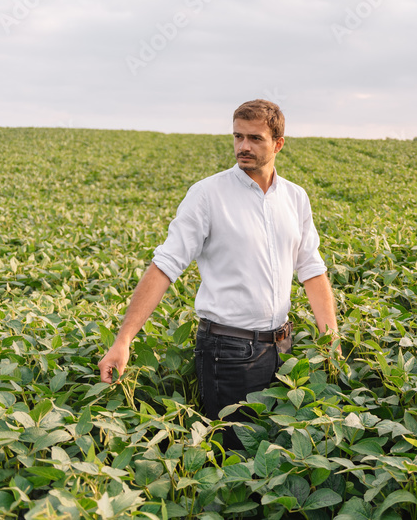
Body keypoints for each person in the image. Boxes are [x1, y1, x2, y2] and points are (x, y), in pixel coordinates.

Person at [98, 99, 338, 450]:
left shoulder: (295, 198)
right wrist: (123, 340)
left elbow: (312, 270)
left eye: (255, 138)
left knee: (276, 452)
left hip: (282, 348)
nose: (243, 146)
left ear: (279, 143)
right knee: (235, 455)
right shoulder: (208, 195)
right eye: (238, 137)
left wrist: (330, 337)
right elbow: (165, 266)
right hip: (228, 351)